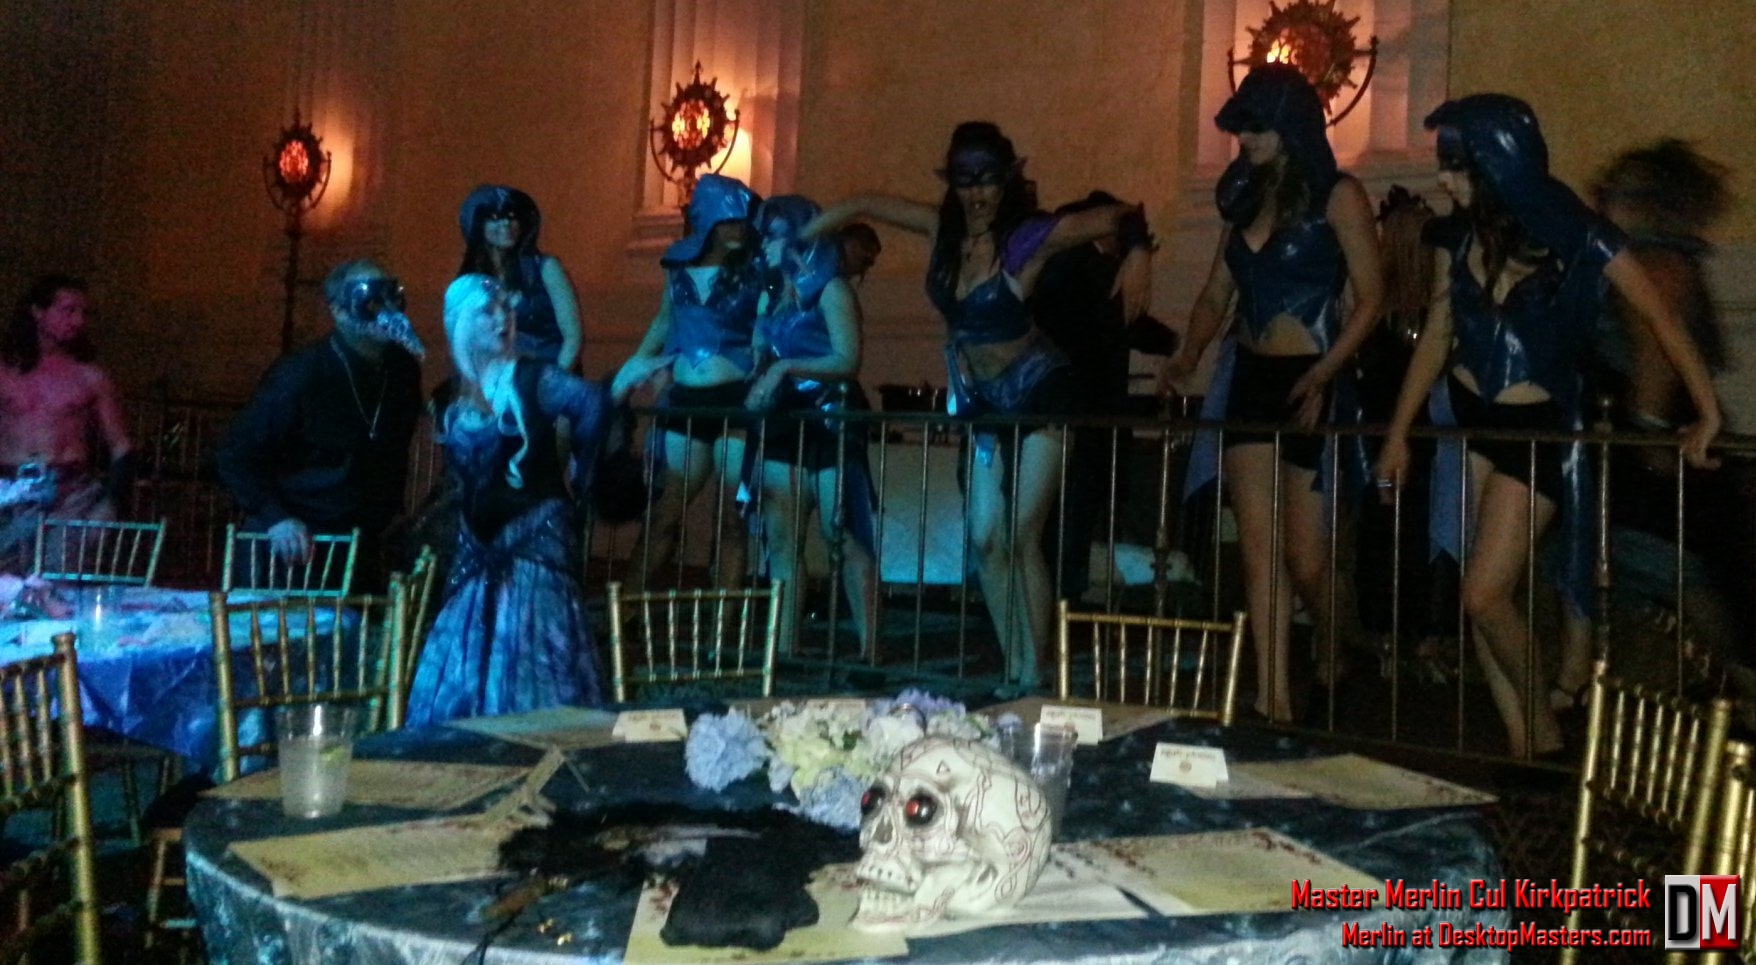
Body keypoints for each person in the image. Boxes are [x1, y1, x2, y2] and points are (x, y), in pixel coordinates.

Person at [1375, 95, 1723, 759]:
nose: (1443, 179)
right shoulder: (1463, 234)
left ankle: (1545, 731)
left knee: (1483, 595)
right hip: (1473, 417)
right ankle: (1524, 744)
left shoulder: (1579, 232)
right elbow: (1439, 334)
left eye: (1457, 166)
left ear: (1496, 165)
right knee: (1483, 598)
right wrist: (1397, 436)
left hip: (1538, 427)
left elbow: (1661, 317)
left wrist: (1705, 411)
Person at [805, 121, 1154, 692]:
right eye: (965, 181)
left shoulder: (1026, 238)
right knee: (986, 539)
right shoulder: (942, 231)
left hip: (1041, 393)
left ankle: (1033, 673)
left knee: (1019, 534)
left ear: (1007, 180)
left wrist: (1138, 254)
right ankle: (1017, 666)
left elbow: (1122, 215)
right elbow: (865, 202)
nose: (976, 193)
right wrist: (799, 238)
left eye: (988, 180)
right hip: (985, 403)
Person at [1163, 66, 1384, 723]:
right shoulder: (1243, 198)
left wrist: (1327, 372)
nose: (1245, 138)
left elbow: (1372, 298)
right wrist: (1188, 354)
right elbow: (1215, 294)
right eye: (1240, 127)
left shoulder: (1339, 195)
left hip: (1316, 373)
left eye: (1255, 126)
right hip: (1251, 379)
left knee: (1307, 558)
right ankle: (1273, 697)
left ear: (1289, 125)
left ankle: (1337, 643)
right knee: (1258, 551)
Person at [404, 275, 667, 726]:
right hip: (476, 547)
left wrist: (585, 472)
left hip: (537, 540)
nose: (502, 320)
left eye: (506, 310)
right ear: (461, 322)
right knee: (465, 656)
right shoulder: (449, 396)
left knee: (537, 657)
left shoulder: (535, 378)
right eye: (488, 312)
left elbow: (592, 406)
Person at [1586, 139, 1743, 691]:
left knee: (1672, 563)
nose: (1605, 200)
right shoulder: (1665, 257)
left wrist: (1648, 432)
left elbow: (1654, 355)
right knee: (1686, 564)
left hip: (1653, 428)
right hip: (1658, 422)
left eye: (1619, 193)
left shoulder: (1653, 264)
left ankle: (1712, 691)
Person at [215, 259, 424, 589]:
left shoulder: (402, 372)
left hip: (361, 547)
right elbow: (236, 454)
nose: (386, 310)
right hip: (292, 549)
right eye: (370, 299)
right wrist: (277, 518)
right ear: (338, 311)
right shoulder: (300, 374)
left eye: (392, 296)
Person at [745, 195, 880, 657]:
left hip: (831, 414)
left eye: (776, 236)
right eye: (765, 236)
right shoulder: (771, 294)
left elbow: (847, 359)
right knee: (783, 537)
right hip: (785, 417)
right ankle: (784, 647)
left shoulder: (833, 290)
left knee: (841, 531)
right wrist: (758, 367)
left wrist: (787, 369)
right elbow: (761, 350)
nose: (766, 245)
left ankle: (870, 648)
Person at [616, 174, 764, 589]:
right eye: (728, 221)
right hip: (686, 401)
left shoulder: (756, 268)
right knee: (664, 515)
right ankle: (624, 609)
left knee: (732, 520)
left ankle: (724, 623)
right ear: (708, 221)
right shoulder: (678, 265)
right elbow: (665, 321)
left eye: (741, 221)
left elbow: (767, 327)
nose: (738, 229)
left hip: (737, 400)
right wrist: (635, 368)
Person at [1034, 189, 1178, 602]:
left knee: (1063, 518)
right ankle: (1062, 604)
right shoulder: (1087, 267)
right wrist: (1173, 343)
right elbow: (1123, 321)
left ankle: (1057, 602)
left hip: (1073, 411)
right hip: (1085, 413)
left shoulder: (1067, 263)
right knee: (1071, 518)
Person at [0, 274, 135, 569]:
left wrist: (110, 505)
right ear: (38, 312)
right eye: (68, 310)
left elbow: (121, 446)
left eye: (83, 313)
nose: (77, 321)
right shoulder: (4, 372)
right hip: (9, 491)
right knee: (6, 582)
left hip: (70, 494)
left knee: (59, 578)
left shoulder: (89, 377)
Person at [458, 185, 584, 370]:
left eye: (512, 216)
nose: (506, 224)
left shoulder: (545, 268)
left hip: (554, 374)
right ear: (478, 225)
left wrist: (554, 381)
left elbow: (573, 338)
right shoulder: (473, 282)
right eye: (495, 217)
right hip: (501, 381)